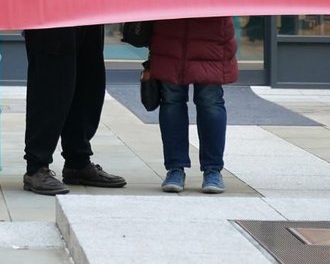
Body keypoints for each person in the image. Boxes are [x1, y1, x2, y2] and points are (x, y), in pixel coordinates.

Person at [20, 25, 125, 195]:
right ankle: (36, 166)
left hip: (87, 7)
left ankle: (78, 162)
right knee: (50, 86)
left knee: (88, 83)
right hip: (50, 10)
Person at [147, 17, 237, 194]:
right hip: (170, 34)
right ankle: (175, 167)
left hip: (211, 37)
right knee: (172, 101)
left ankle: (213, 169)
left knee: (210, 102)